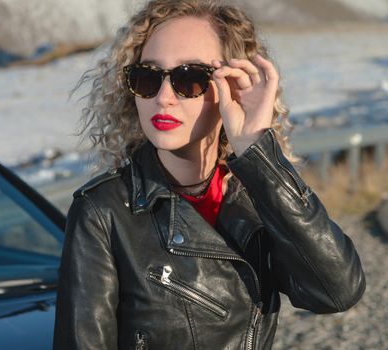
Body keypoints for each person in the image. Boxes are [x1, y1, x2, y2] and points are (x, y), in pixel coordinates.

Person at [53, 0, 366, 349]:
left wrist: (254, 149)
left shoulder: (256, 194)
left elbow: (337, 292)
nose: (164, 98)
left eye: (190, 79)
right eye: (148, 77)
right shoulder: (104, 212)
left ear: (233, 86)